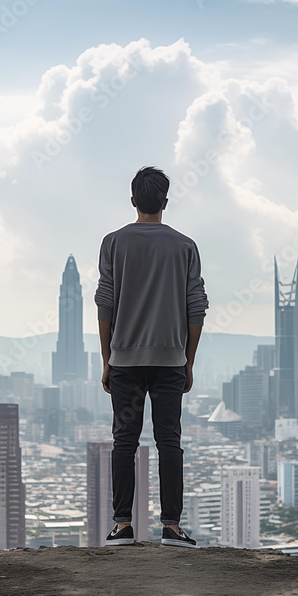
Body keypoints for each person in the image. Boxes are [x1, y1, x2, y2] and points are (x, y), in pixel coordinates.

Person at [95, 166, 208, 548]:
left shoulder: (113, 242)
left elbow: (105, 303)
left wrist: (107, 358)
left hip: (124, 361)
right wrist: (188, 361)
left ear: (133, 201)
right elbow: (197, 308)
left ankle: (122, 527)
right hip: (170, 362)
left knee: (124, 442)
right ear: (165, 202)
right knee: (169, 441)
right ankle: (172, 528)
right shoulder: (185, 246)